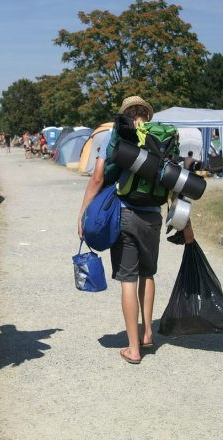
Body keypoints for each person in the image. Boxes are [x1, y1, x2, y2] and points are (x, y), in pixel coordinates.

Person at [78, 96, 194, 364]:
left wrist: (83, 212)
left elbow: (98, 177)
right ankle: (148, 333)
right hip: (153, 216)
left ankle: (133, 347)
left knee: (128, 278)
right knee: (148, 273)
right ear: (147, 114)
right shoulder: (160, 139)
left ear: (125, 114)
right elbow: (175, 179)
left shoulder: (118, 135)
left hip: (126, 213)